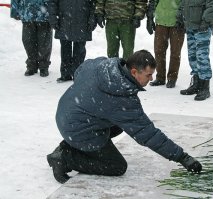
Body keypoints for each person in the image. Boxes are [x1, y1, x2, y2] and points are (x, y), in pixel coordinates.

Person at [47, 50, 202, 184]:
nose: (151, 79)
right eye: (148, 75)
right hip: (77, 126)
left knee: (119, 125)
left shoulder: (105, 65)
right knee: (117, 166)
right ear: (134, 72)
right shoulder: (122, 100)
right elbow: (147, 133)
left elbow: (81, 70)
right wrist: (182, 157)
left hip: (67, 113)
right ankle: (64, 159)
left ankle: (68, 145)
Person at [178, 0, 213, 101]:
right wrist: (180, 17)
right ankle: (196, 83)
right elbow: (183, 3)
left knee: (202, 56)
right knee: (192, 56)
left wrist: (206, 21)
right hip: (190, 26)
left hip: (202, 27)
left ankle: (205, 87)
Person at [48, 0, 97, 83]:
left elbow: (94, 3)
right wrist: (53, 18)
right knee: (65, 49)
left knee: (79, 50)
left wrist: (93, 18)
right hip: (63, 20)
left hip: (82, 20)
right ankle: (65, 74)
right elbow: (52, 2)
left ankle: (77, 73)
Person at [146, 0, 185, 88]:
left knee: (175, 52)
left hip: (177, 23)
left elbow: (186, 2)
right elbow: (153, 2)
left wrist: (182, 17)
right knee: (159, 51)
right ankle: (160, 77)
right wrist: (150, 18)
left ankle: (172, 78)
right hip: (161, 20)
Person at [10, 0, 52, 77]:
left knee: (44, 43)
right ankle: (32, 65)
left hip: (44, 15)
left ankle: (43, 66)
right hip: (27, 14)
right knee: (28, 42)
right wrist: (14, 11)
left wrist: (53, 11)